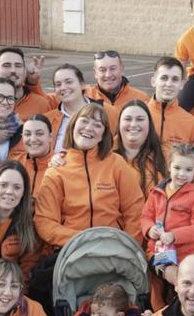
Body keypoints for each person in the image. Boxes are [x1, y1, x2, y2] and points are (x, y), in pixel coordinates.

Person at [34, 103, 146, 249]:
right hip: (72, 250)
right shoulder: (57, 170)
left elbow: (135, 209)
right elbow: (45, 222)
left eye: (97, 125)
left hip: (114, 249)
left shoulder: (116, 163)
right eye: (84, 121)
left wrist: (127, 246)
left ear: (103, 135)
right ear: (73, 125)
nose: (89, 128)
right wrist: (83, 240)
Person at [142, 143, 194, 286]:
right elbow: (146, 216)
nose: (182, 174)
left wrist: (174, 236)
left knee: (180, 289)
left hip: (185, 258)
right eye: (177, 168)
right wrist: (149, 229)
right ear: (169, 166)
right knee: (156, 291)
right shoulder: (156, 192)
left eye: (188, 170)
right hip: (158, 253)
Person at [0, 47, 55, 119]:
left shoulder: (41, 105)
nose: (13, 70)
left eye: (18, 66)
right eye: (6, 65)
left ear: (25, 70)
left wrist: (33, 83)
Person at [147, 56, 194, 154]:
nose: (169, 84)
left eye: (175, 79)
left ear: (181, 84)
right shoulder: (139, 116)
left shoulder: (191, 124)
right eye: (164, 78)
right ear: (153, 81)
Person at [114, 99, 167, 199]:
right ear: (119, 123)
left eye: (140, 119)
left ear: (149, 124)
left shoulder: (166, 156)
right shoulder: (104, 154)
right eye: (128, 119)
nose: (133, 124)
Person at [86, 49, 149, 132]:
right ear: (95, 73)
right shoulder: (85, 97)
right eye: (102, 70)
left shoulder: (141, 99)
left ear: (121, 69)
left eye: (113, 68)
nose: (108, 75)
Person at [44, 64, 96, 153]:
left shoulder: (106, 112)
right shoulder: (47, 120)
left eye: (68, 82)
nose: (63, 88)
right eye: (58, 84)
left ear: (82, 85)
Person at [18, 113, 55, 196]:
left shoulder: (60, 165)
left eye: (39, 134)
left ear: (50, 137)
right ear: (22, 137)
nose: (33, 139)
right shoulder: (15, 163)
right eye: (27, 134)